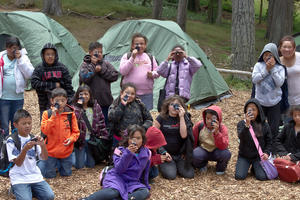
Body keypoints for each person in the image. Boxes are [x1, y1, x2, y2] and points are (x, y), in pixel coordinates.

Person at [82, 125, 151, 200]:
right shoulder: (119, 150)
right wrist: (128, 154)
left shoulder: (146, 153)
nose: (135, 141)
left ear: (142, 139)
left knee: (145, 192)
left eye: (138, 138)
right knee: (114, 192)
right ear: (128, 139)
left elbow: (145, 172)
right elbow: (119, 169)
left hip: (132, 182)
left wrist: (145, 185)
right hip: (117, 178)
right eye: (132, 138)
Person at [6, 109, 54, 200]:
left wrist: (43, 145)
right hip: (19, 177)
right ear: (15, 125)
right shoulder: (11, 140)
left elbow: (44, 158)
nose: (27, 126)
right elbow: (18, 163)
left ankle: (29, 190)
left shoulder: (33, 138)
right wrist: (24, 150)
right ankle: (14, 189)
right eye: (24, 124)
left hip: (35, 176)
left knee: (49, 196)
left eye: (29, 123)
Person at [38, 88, 80, 178]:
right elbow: (45, 130)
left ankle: (60, 166)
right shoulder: (46, 114)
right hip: (50, 152)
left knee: (66, 174)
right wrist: (53, 117)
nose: (60, 103)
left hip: (65, 151)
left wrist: (71, 139)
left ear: (66, 101)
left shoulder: (70, 114)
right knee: (49, 175)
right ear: (52, 101)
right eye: (57, 101)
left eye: (63, 100)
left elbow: (76, 132)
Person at [252, 43, 285, 153]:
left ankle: (271, 151)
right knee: (258, 127)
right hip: (260, 102)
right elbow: (255, 79)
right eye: (265, 54)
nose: (267, 57)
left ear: (275, 55)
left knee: (273, 129)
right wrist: (266, 69)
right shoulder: (258, 65)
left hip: (274, 103)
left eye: (270, 55)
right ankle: (258, 149)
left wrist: (272, 69)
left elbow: (280, 83)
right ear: (262, 55)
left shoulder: (280, 68)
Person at [153, 95, 194, 180]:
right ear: (167, 107)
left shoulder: (184, 118)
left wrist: (182, 117)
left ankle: (177, 165)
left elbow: (184, 135)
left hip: (179, 154)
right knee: (171, 175)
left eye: (177, 105)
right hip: (166, 153)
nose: (174, 107)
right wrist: (163, 152)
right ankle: (165, 164)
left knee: (189, 175)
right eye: (172, 104)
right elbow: (154, 136)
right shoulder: (161, 118)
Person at [0, 36, 34, 137]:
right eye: (10, 47)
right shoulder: (1, 58)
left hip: (17, 97)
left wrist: (20, 60)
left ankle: (15, 145)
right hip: (3, 97)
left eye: (14, 47)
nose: (12, 50)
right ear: (6, 48)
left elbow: (30, 74)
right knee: (4, 124)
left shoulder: (23, 58)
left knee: (17, 123)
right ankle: (4, 147)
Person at [31, 43, 74, 118]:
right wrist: (53, 85)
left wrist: (70, 101)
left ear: (56, 55)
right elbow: (34, 83)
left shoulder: (62, 68)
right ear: (43, 55)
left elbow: (68, 86)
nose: (50, 56)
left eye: (52, 54)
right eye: (47, 54)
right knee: (46, 126)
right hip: (44, 104)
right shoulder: (39, 68)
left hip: (62, 105)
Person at [79, 42, 118, 124]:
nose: (99, 54)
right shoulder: (85, 64)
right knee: (92, 123)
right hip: (90, 103)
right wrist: (93, 68)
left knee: (105, 123)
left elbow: (115, 76)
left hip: (105, 101)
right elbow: (83, 78)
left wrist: (102, 71)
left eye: (101, 52)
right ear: (90, 53)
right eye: (97, 52)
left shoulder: (106, 64)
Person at [119, 33, 159, 110]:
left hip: (146, 94)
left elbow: (157, 72)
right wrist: (132, 58)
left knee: (146, 115)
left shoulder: (150, 57)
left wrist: (152, 74)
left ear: (145, 45)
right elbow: (123, 71)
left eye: (142, 44)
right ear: (132, 46)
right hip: (129, 93)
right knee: (128, 114)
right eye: (137, 44)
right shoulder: (127, 56)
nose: (139, 46)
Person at [235, 99, 272, 181]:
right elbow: (241, 137)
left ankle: (254, 168)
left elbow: (269, 141)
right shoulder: (241, 124)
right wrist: (247, 125)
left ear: (258, 111)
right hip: (244, 156)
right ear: (245, 111)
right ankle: (248, 166)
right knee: (239, 176)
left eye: (254, 109)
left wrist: (266, 152)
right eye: (249, 110)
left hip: (258, 156)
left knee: (262, 177)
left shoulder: (264, 125)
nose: (251, 112)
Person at [73, 85, 109, 169]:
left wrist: (104, 135)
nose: (84, 96)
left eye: (86, 94)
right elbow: (74, 121)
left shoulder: (95, 107)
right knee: (79, 166)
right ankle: (72, 157)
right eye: (81, 94)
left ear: (90, 95)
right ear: (78, 95)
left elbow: (101, 121)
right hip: (80, 139)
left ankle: (87, 157)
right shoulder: (75, 108)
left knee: (91, 165)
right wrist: (78, 106)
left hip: (92, 138)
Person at [108, 82, 153, 146]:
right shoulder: (116, 104)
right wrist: (122, 105)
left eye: (132, 94)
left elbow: (149, 119)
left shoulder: (139, 104)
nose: (129, 96)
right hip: (120, 139)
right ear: (121, 93)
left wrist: (141, 128)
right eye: (127, 93)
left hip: (136, 140)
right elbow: (112, 118)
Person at [192, 105, 231, 175]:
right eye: (207, 118)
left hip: (217, 151)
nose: (209, 121)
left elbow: (223, 146)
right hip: (203, 149)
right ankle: (202, 165)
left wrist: (217, 133)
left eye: (212, 119)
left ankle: (220, 168)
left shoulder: (222, 128)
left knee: (226, 154)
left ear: (218, 119)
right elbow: (193, 140)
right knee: (194, 154)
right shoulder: (199, 126)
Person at [279, 36, 300, 106]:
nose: (287, 49)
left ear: (294, 48)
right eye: (284, 47)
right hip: (284, 101)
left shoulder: (299, 57)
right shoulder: (277, 61)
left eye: (289, 47)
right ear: (280, 48)